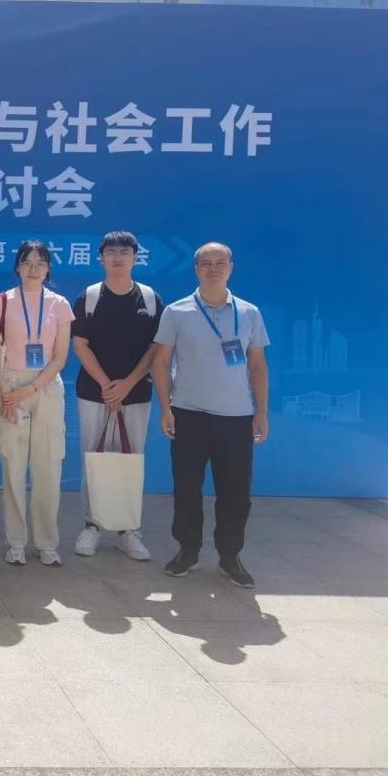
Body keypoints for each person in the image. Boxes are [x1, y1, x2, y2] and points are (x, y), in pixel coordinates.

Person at [152, 242, 269, 589]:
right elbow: (161, 362)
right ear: (196, 269)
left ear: (231, 267)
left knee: (235, 493)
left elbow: (258, 365)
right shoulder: (176, 311)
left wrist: (261, 412)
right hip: (189, 414)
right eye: (206, 263)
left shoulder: (249, 313)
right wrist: (165, 408)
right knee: (187, 489)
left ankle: (230, 556)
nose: (213, 269)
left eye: (220, 263)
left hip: (237, 417)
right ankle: (187, 551)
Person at [71, 231, 162, 562]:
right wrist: (108, 385)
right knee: (93, 458)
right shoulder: (89, 297)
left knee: (130, 460)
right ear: (101, 258)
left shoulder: (150, 299)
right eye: (111, 252)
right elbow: (80, 345)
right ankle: (91, 525)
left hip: (136, 394)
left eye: (125, 252)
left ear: (135, 258)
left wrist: (127, 384)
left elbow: (156, 347)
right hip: (93, 392)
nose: (118, 258)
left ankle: (128, 530)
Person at [0, 241, 74, 567]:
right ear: (18, 267)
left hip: (46, 387)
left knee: (48, 467)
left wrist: (33, 388)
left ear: (48, 268)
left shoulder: (60, 305)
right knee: (12, 467)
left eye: (40, 263)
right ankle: (16, 542)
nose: (33, 269)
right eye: (27, 262)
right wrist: (7, 393)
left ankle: (47, 543)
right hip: (10, 385)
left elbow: (61, 356)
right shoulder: (2, 301)